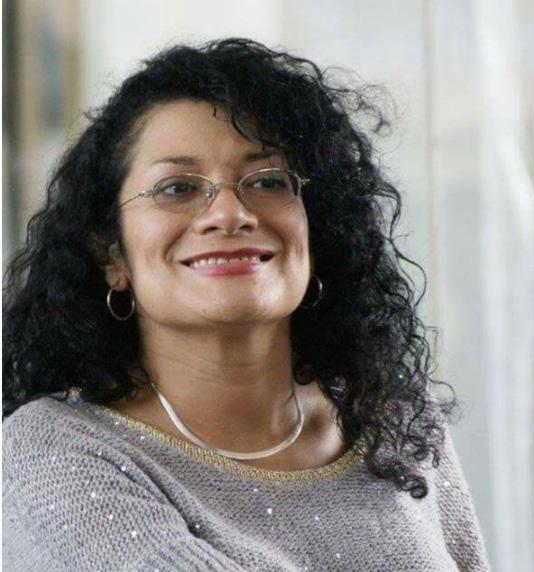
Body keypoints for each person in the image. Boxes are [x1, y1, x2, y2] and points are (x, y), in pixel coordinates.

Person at [2, 38, 491, 571]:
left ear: (318, 230)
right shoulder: (52, 452)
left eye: (268, 181)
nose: (230, 213)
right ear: (111, 254)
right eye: (177, 188)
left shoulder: (393, 419)